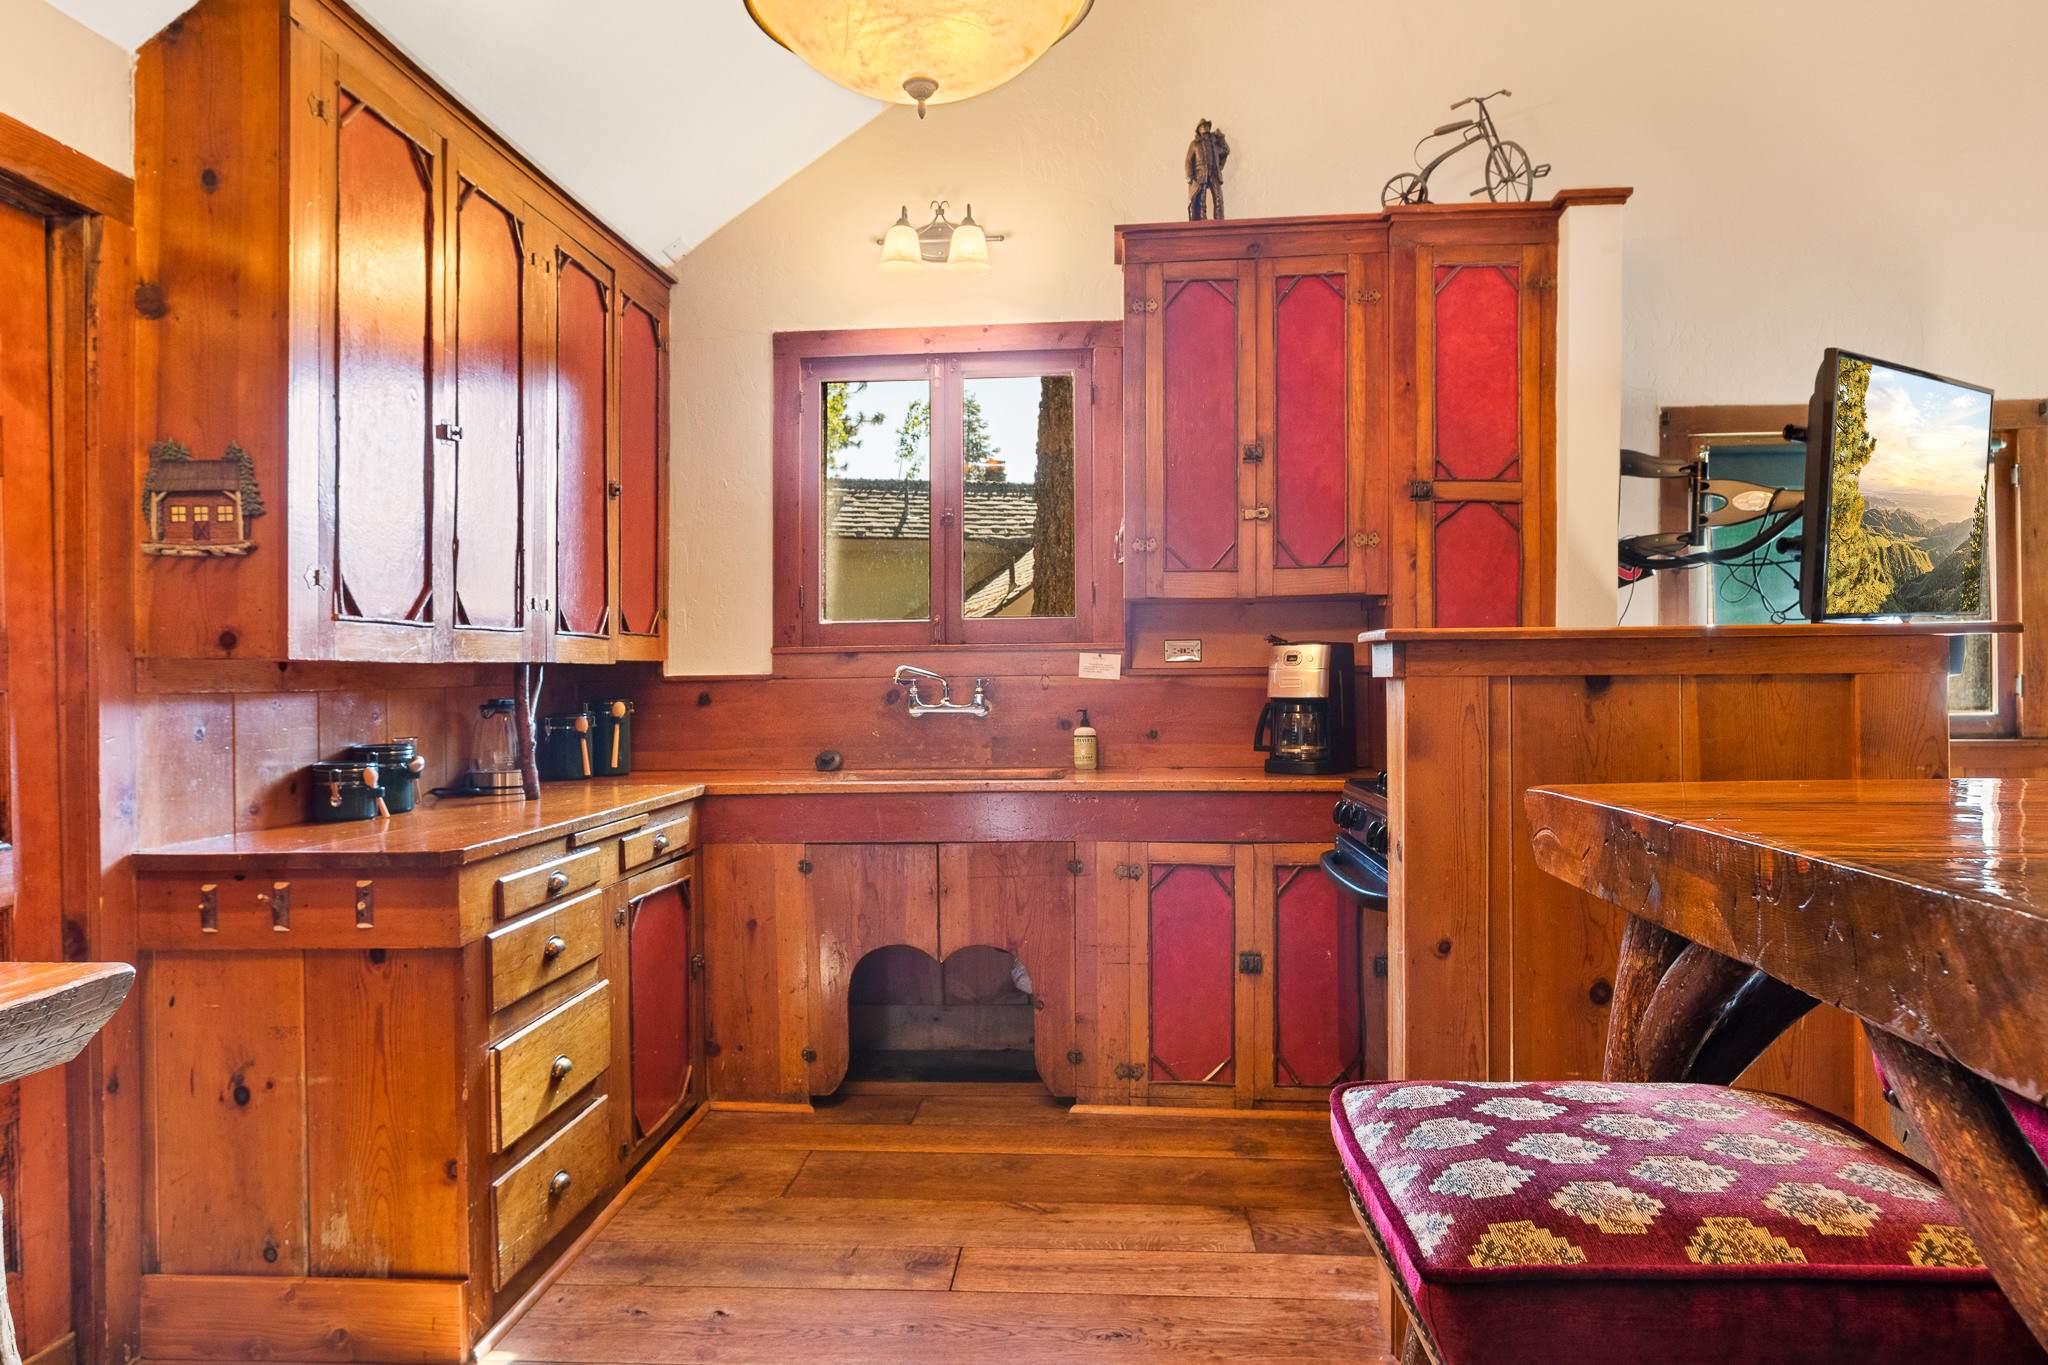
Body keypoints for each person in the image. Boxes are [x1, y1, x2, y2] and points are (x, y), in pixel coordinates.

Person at [1186, 119, 1229, 220]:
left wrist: (1221, 137)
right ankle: (1202, 223)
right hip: (1200, 175)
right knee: (1201, 201)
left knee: (1219, 198)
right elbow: (1188, 160)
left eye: (1206, 126)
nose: (1204, 128)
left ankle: (1220, 222)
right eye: (1202, 126)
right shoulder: (1194, 144)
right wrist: (1190, 177)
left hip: (1214, 173)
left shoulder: (1214, 144)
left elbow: (1225, 151)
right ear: (1198, 130)